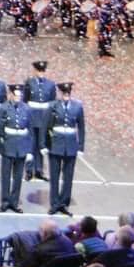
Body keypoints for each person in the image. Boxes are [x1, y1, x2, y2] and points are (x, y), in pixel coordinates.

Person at [46, 82, 85, 215]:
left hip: (71, 146)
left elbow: (81, 127)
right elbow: (47, 126)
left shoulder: (77, 107)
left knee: (68, 177)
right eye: (64, 94)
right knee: (54, 176)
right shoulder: (53, 106)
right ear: (60, 94)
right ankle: (54, 203)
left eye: (68, 93)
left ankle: (64, 203)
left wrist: (81, 147)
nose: (66, 96)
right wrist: (45, 145)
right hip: (56, 145)